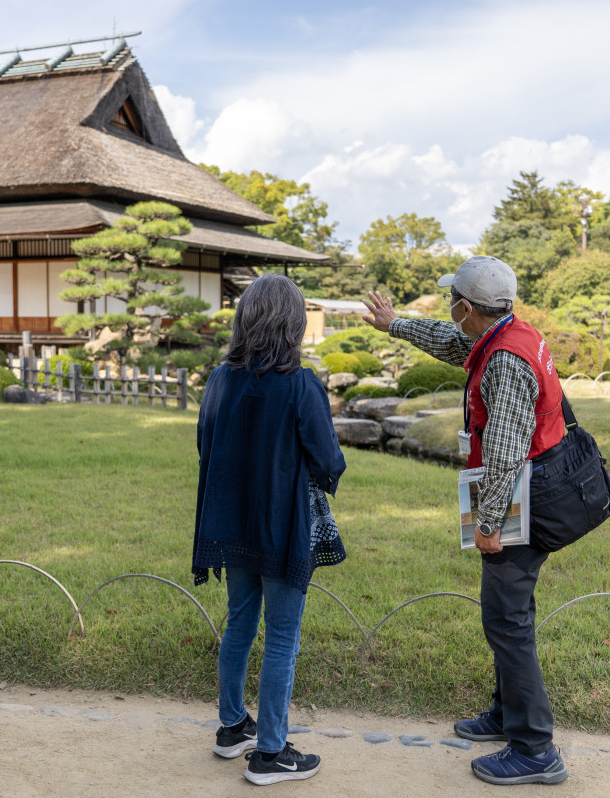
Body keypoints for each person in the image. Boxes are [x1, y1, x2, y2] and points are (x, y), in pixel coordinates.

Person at [362, 256, 569, 786]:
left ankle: (534, 748)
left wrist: (489, 524)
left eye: (451, 300)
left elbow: (504, 453)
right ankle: (505, 716)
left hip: (524, 500)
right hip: (537, 488)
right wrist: (395, 325)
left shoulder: (503, 361)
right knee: (511, 610)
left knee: (506, 621)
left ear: (467, 306)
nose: (449, 309)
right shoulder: (507, 334)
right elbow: (450, 344)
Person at [192, 273, 347, 786]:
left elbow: (206, 446)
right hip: (281, 526)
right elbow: (329, 460)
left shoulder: (218, 379)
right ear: (294, 324)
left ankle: (232, 726)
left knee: (239, 623)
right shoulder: (300, 384)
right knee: (282, 636)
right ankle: (272, 753)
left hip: (230, 524)